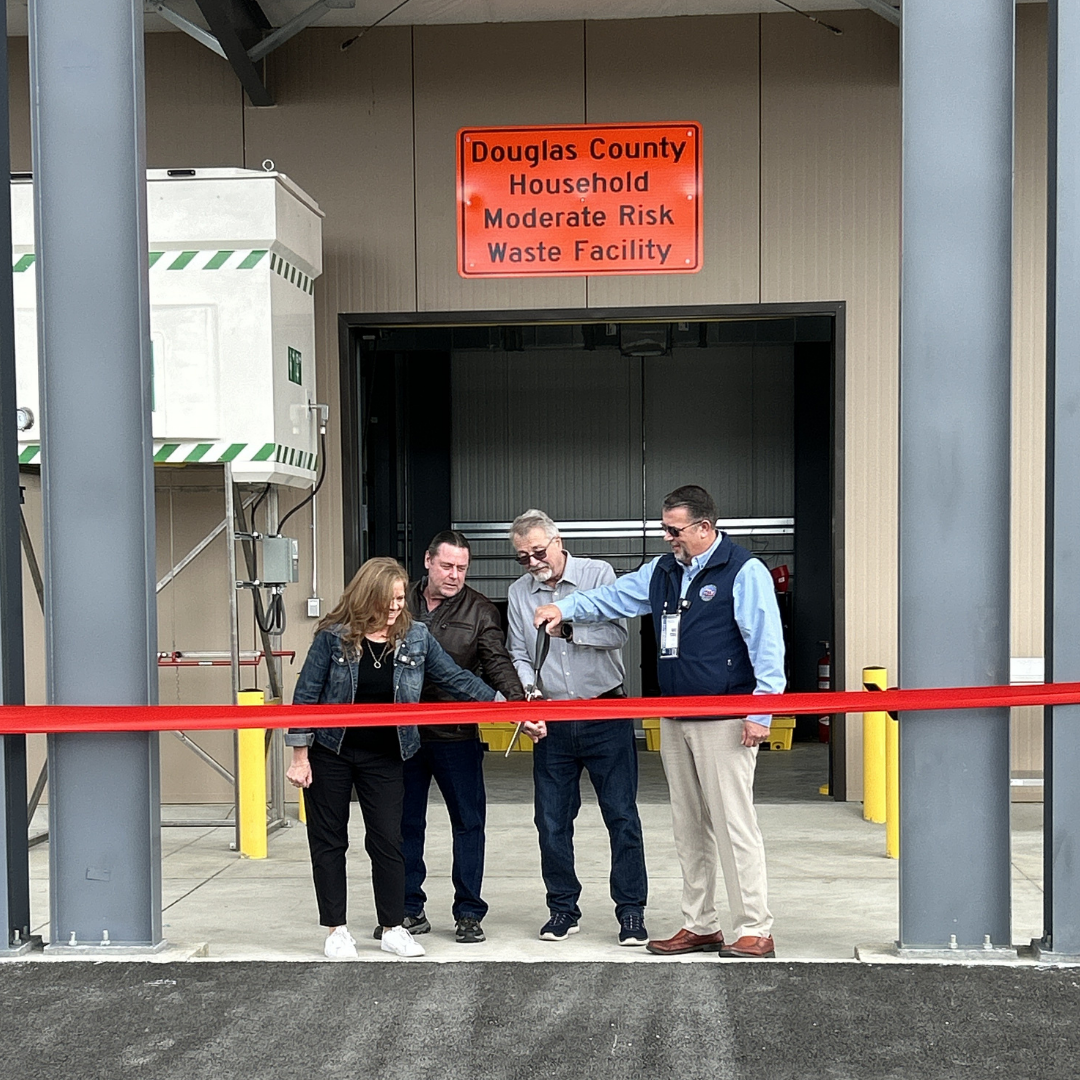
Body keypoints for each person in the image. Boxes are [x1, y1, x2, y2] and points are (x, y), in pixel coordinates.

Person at [533, 485, 785, 960]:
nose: (668, 538)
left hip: (725, 716)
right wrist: (563, 607)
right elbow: (611, 598)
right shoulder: (663, 571)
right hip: (675, 716)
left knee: (734, 824)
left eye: (675, 530)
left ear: (705, 527)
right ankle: (700, 924)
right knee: (688, 825)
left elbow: (766, 645)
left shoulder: (744, 571)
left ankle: (755, 928)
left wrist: (761, 711)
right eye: (665, 528)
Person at [286, 556, 503, 960]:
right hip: (331, 752)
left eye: (401, 599)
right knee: (329, 841)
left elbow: (454, 678)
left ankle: (393, 927)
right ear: (367, 597)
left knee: (389, 840)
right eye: (388, 600)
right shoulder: (332, 638)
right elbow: (305, 699)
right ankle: (336, 930)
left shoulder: (416, 637)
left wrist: (502, 704)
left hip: (387, 755)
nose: (396, 608)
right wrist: (300, 758)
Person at [506, 509, 649, 947]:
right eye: (523, 558)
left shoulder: (597, 573)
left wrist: (567, 629)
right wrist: (529, 693)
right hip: (551, 717)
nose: (533, 563)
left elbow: (617, 636)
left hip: (605, 710)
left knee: (621, 814)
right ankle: (562, 909)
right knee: (550, 819)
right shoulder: (518, 593)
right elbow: (517, 652)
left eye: (538, 552)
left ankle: (630, 911)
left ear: (558, 541)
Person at [392, 529, 528, 946]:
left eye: (462, 568)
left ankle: (469, 912)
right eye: (448, 566)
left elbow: (497, 662)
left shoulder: (481, 610)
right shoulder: (397, 599)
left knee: (469, 824)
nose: (454, 575)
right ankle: (407, 907)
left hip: (456, 734)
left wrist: (520, 706)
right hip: (404, 733)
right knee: (404, 824)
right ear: (428, 562)